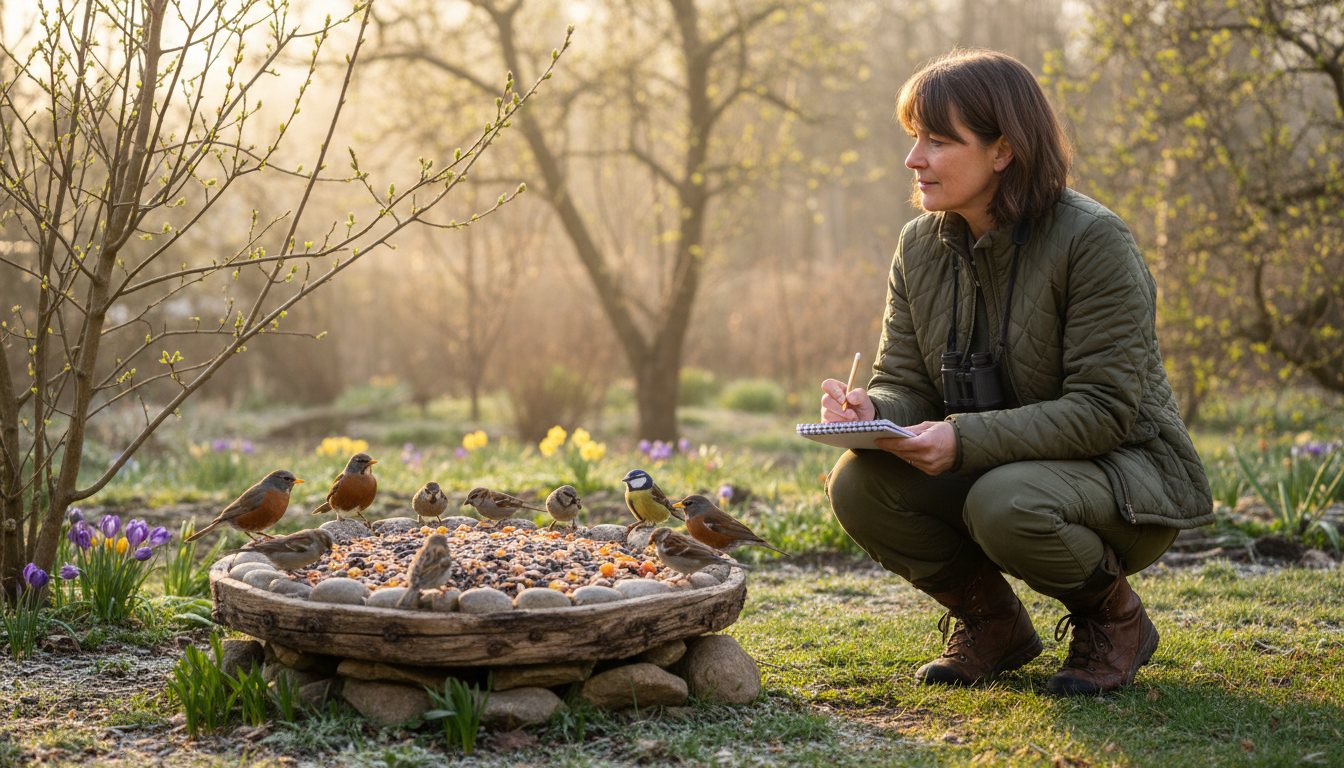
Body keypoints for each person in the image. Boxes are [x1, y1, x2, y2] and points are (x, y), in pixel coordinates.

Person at [820, 49, 1212, 696]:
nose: (913, 159)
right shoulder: (918, 246)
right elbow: (906, 382)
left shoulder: (1094, 241)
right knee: (858, 483)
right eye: (914, 137)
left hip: (1124, 478)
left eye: (937, 140)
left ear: (1003, 151)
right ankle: (992, 623)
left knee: (1004, 502)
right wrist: (874, 411)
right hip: (998, 469)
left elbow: (1103, 412)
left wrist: (962, 440)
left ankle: (1115, 620)